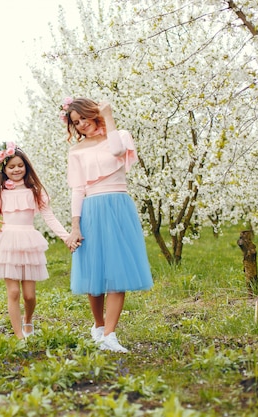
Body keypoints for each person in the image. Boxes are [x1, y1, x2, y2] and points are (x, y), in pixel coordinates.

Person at [61, 97, 153, 353]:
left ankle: (110, 335)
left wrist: (108, 117)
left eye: (83, 118)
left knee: (117, 269)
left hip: (118, 205)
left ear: (94, 113)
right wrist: (75, 225)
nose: (81, 125)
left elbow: (116, 151)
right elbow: (78, 188)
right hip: (91, 207)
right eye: (76, 123)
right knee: (94, 271)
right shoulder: (76, 151)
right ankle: (99, 327)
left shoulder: (120, 135)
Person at [0, 141, 73, 340]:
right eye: (12, 166)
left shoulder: (35, 191)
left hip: (29, 241)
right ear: (4, 169)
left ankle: (28, 319)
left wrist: (67, 237)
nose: (16, 170)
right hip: (7, 242)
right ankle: (18, 336)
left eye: (20, 165)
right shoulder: (0, 192)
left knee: (29, 295)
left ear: (26, 166)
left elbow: (49, 217)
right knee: (13, 292)